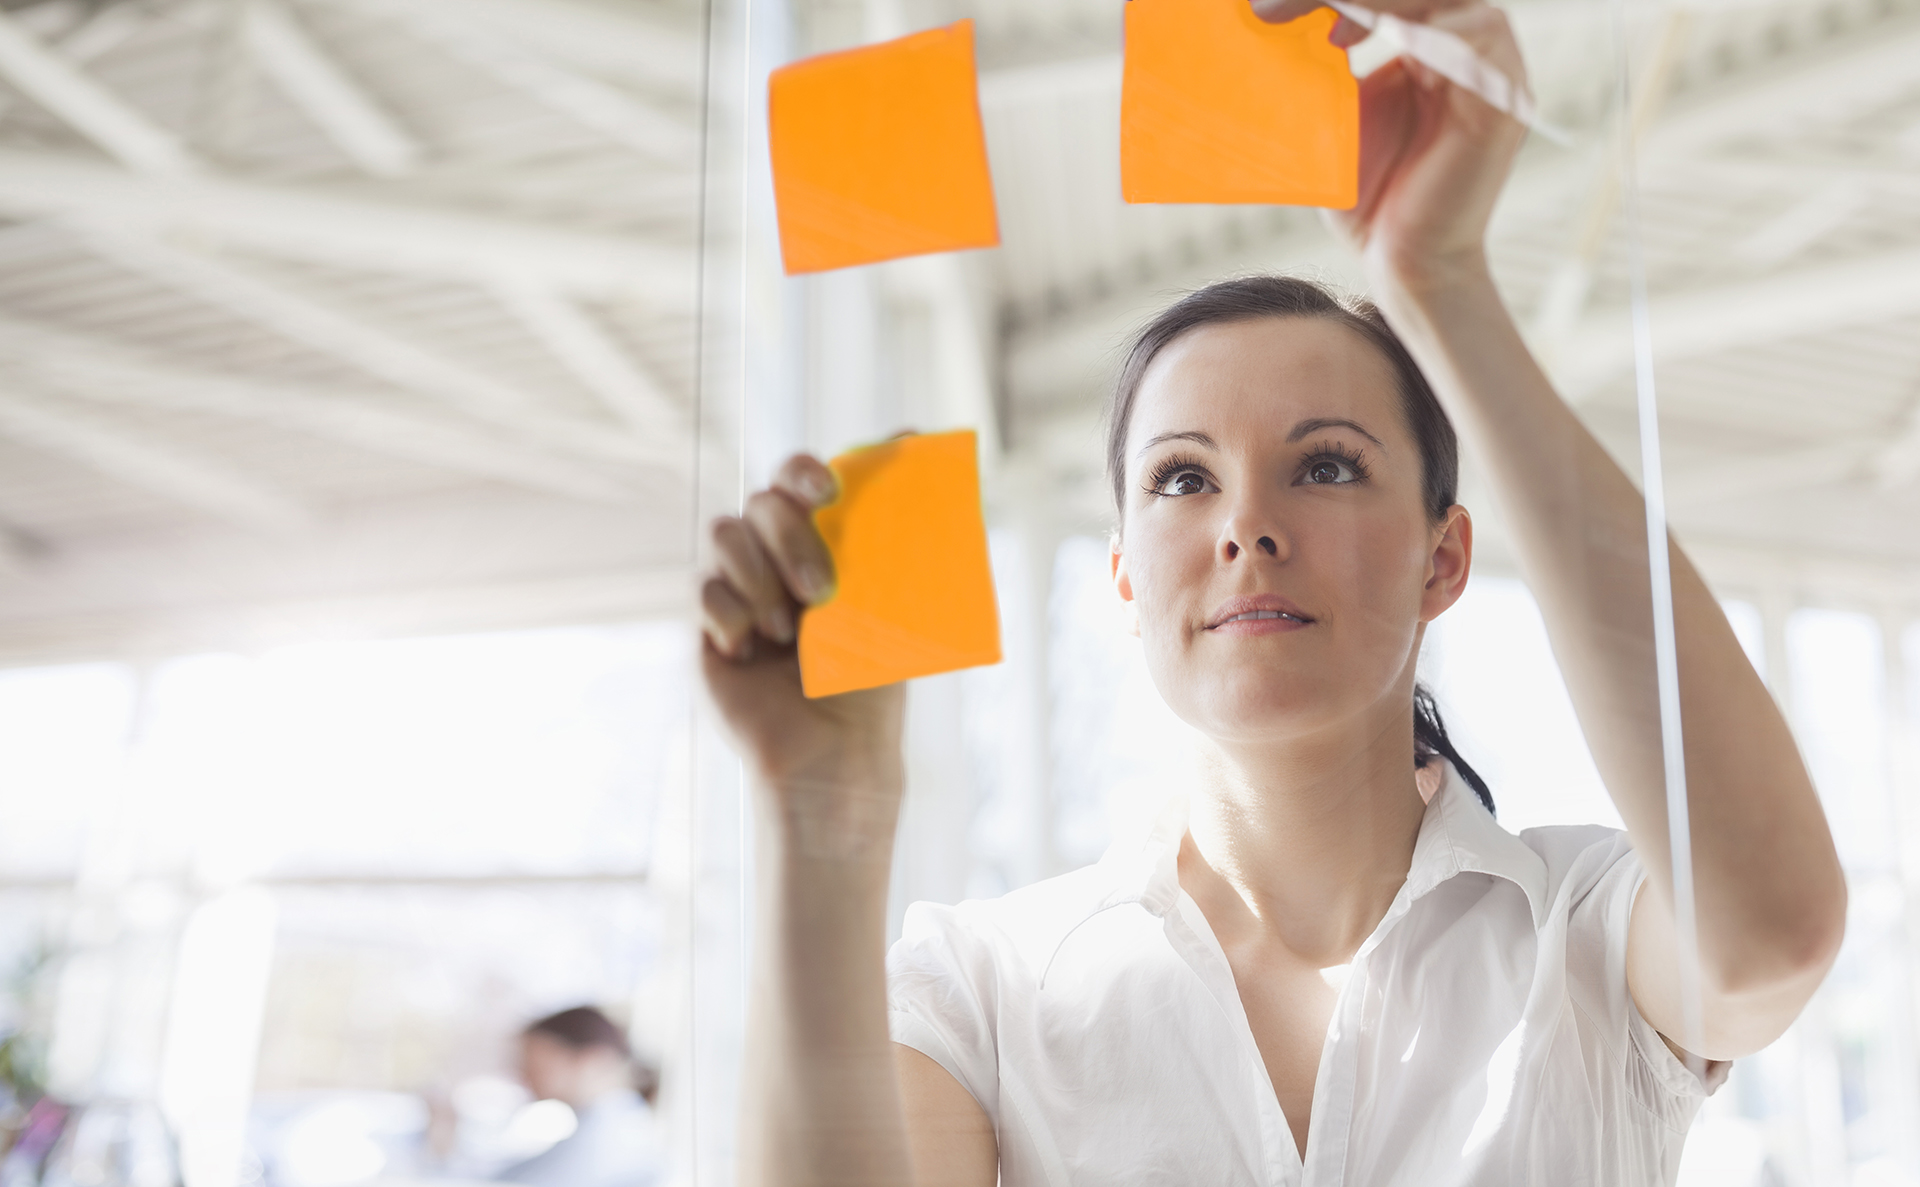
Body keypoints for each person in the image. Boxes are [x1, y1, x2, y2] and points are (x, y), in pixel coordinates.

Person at [698, 2, 1847, 1183]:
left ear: (1443, 559)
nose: (1246, 524)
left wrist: (1442, 279)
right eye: (1184, 477)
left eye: (1328, 465)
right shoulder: (986, 986)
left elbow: (1767, 929)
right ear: (1125, 581)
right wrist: (824, 814)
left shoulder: (1587, 932)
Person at [496, 1006, 660, 1187]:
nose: (523, 1074)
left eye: (532, 1062)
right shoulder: (613, 1124)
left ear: (590, 1059)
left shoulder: (604, 1140)